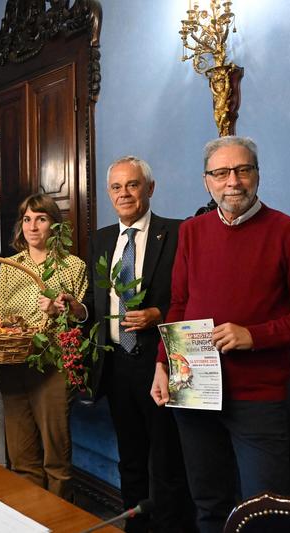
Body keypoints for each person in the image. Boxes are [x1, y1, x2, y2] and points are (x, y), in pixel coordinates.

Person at [151, 136, 290, 533]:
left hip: (258, 395)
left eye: (242, 170)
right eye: (221, 173)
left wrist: (254, 336)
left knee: (264, 512)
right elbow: (179, 304)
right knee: (208, 504)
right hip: (193, 385)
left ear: (257, 175)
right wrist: (163, 365)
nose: (232, 181)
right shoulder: (191, 232)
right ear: (207, 181)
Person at [62, 156, 195, 533]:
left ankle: (170, 528)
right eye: (116, 187)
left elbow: (192, 296)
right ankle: (135, 527)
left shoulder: (178, 233)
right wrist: (77, 309)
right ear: (109, 193)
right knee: (130, 458)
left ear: (149, 188)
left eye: (132, 185)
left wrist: (158, 314)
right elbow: (95, 302)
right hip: (117, 365)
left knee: (168, 460)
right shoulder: (102, 239)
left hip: (163, 363)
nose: (124, 194)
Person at [0, 193, 87, 500]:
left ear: (55, 225)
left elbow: (82, 317)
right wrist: (10, 326)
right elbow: (0, 315)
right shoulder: (10, 266)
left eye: (41, 219)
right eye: (27, 219)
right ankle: (32, 516)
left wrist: (62, 310)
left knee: (56, 458)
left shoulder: (73, 266)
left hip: (52, 365)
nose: (32, 227)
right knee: (21, 457)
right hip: (14, 364)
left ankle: (61, 518)